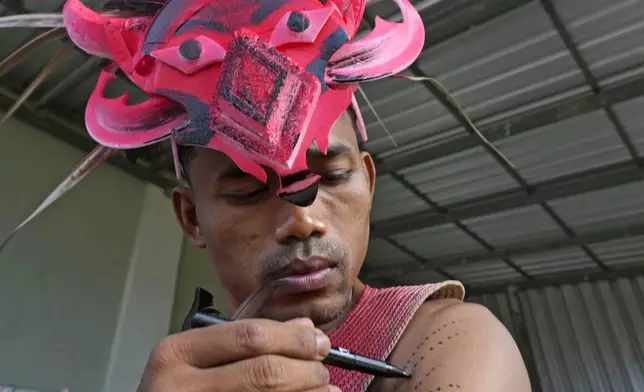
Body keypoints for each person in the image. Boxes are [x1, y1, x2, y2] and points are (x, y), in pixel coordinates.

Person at [1, 0, 531, 391]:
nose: (302, 221)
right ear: (190, 216)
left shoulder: (450, 344)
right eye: (248, 190)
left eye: (333, 177)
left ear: (369, 180)